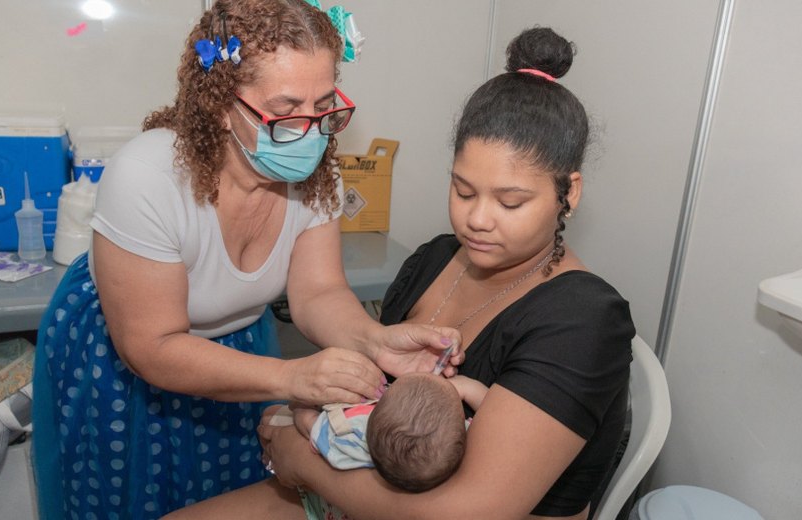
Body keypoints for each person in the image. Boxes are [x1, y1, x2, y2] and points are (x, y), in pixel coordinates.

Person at [164, 25, 636, 520]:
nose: (477, 219)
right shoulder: (435, 259)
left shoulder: (584, 322)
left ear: (570, 193)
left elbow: (470, 511)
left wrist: (303, 462)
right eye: (464, 191)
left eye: (510, 201)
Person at [30, 1, 460, 519]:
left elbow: (318, 293)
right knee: (128, 497)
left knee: (228, 491)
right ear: (219, 105)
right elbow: (154, 346)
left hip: (241, 351)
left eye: (325, 106)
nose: (310, 131)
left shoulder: (318, 177)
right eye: (285, 112)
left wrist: (376, 342)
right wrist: (291, 377)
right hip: (125, 367)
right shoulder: (149, 179)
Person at [265, 372, 487, 502]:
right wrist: (466, 388)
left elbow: (307, 423)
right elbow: (490, 409)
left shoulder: (352, 433)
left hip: (331, 505)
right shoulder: (455, 443)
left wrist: (300, 407)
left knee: (270, 414)